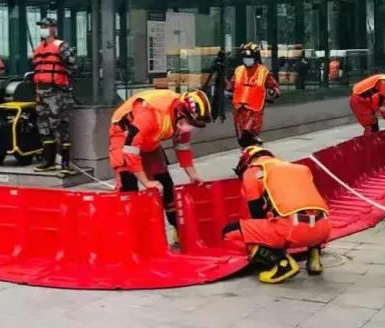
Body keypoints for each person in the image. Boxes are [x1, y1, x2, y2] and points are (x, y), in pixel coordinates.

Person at [223, 146, 331, 284]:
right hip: (324, 229)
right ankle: (314, 257)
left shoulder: (253, 172)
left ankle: (282, 262)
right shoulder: (298, 168)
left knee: (229, 232)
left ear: (247, 161)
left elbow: (256, 213)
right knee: (307, 212)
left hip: (293, 229)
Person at [108, 89, 211, 228]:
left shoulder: (182, 120)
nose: (190, 127)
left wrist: (193, 175)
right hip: (124, 137)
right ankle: (125, 233)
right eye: (189, 123)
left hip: (150, 140)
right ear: (180, 112)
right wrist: (146, 182)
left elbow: (183, 147)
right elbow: (130, 149)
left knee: (166, 184)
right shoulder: (150, 114)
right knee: (128, 187)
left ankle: (180, 229)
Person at [32, 17, 77, 173]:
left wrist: (65, 86)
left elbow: (73, 65)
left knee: (60, 126)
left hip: (57, 92)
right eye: (42, 26)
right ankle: (48, 160)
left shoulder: (62, 46)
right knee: (44, 126)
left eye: (46, 26)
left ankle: (65, 163)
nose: (43, 28)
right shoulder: (39, 48)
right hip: (41, 92)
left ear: (53, 28)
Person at [227, 42, 280, 147]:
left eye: (250, 57)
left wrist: (273, 92)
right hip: (239, 109)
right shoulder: (238, 70)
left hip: (254, 110)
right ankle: (245, 157)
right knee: (241, 139)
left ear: (255, 57)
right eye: (245, 57)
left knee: (248, 134)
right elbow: (230, 86)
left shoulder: (263, 71)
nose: (247, 59)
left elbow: (275, 88)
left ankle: (255, 151)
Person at [202, 50, 228, 123]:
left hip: (219, 84)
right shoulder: (219, 64)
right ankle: (216, 115)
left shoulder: (219, 63)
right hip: (216, 84)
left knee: (217, 100)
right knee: (216, 100)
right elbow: (213, 74)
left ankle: (217, 115)